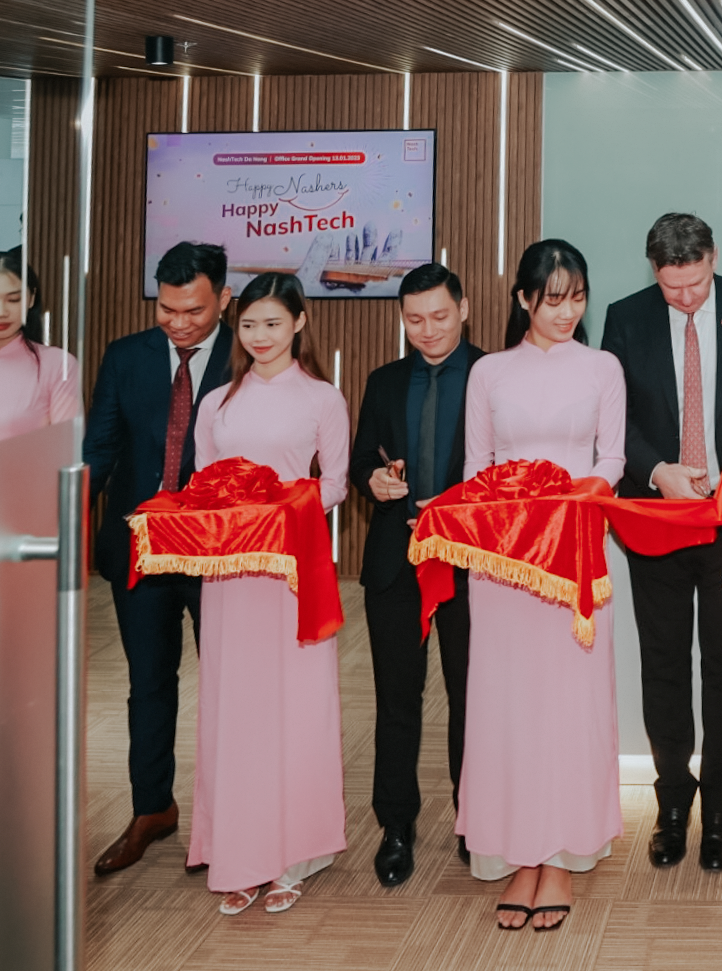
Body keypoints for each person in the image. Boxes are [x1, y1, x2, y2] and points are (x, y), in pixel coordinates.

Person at [600, 213, 722, 872]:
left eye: (696, 284)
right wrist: (656, 471)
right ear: (654, 271)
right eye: (671, 286)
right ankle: (672, 803)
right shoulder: (626, 318)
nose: (684, 297)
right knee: (665, 663)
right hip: (656, 517)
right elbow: (613, 417)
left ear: (713, 258)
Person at [461, 239, 626, 932]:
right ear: (524, 299)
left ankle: (558, 854)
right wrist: (510, 512)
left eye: (577, 298)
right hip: (502, 561)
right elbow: (477, 467)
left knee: (568, 704)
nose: (567, 312)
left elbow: (612, 459)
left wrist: (569, 500)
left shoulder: (602, 367)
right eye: (553, 299)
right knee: (507, 705)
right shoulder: (490, 372)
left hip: (575, 553)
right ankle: (519, 852)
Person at [189, 271, 350, 914]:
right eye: (250, 324)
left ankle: (292, 855)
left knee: (296, 707)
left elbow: (335, 483)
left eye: (273, 323)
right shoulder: (216, 404)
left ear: (299, 323)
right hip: (230, 574)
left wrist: (282, 507)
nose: (260, 335)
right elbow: (202, 484)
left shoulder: (322, 398)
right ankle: (240, 852)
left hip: (290, 568)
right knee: (236, 707)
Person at [85, 241, 233, 876]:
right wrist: (65, 525)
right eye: (167, 309)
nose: (179, 322)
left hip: (217, 552)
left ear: (224, 299)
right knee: (148, 682)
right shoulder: (127, 357)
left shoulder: (249, 355)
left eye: (194, 310)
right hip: (140, 549)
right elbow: (99, 450)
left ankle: (228, 819)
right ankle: (152, 808)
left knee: (227, 685)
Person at [348, 263, 484, 887]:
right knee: (396, 698)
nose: (427, 330)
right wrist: (372, 481)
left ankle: (472, 817)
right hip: (395, 560)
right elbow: (361, 459)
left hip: (467, 560)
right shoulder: (384, 380)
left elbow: (505, 470)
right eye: (414, 320)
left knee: (469, 695)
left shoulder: (491, 375)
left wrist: (458, 502)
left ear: (464, 310)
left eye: (439, 316)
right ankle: (396, 823)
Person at [0, 250, 80, 455]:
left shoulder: (58, 365)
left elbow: (66, 452)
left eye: (14, 299)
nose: (0, 312)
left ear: (31, 299)